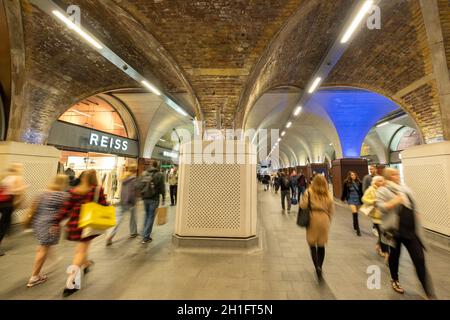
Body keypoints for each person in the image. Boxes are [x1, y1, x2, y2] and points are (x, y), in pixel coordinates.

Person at [376, 168, 435, 299]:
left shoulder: (406, 190)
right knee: (394, 257)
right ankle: (394, 279)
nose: (397, 176)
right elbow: (380, 207)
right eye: (393, 174)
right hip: (394, 232)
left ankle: (429, 293)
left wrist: (416, 214)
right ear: (388, 177)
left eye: (397, 174)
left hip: (411, 232)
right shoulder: (383, 190)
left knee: (419, 259)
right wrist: (394, 202)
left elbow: (413, 205)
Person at [52, 170, 108, 297]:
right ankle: (70, 284)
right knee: (80, 251)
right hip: (87, 225)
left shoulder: (74, 191)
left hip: (74, 225)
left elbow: (65, 208)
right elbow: (104, 206)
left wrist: (56, 222)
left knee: (82, 248)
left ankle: (87, 264)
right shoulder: (97, 190)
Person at [27, 175, 69, 287]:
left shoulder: (42, 193)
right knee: (43, 249)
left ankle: (43, 269)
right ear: (64, 183)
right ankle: (34, 277)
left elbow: (34, 207)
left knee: (43, 247)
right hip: (51, 225)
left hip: (37, 223)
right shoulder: (63, 195)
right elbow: (65, 212)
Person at [300, 175, 334, 281]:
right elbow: (331, 209)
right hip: (324, 219)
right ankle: (320, 265)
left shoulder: (309, 192)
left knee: (312, 244)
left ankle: (317, 267)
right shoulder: (328, 194)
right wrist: (328, 219)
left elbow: (303, 205)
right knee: (321, 245)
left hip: (312, 218)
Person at [105, 164, 138, 246]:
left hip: (121, 201)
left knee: (117, 220)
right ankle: (133, 232)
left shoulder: (124, 178)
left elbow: (122, 191)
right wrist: (133, 202)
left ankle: (109, 235)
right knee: (133, 218)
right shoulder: (134, 179)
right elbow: (132, 192)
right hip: (129, 202)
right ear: (134, 170)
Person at [0, 163, 28, 256]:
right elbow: (16, 191)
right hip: (8, 203)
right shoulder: (18, 178)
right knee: (3, 225)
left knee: (6, 222)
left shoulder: (6, 177)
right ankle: (8, 232)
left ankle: (9, 231)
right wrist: (24, 187)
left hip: (2, 202)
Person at [136, 160, 165, 244]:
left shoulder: (144, 173)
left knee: (146, 215)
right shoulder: (160, 174)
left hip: (145, 197)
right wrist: (163, 198)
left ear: (151, 165)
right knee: (151, 217)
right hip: (154, 198)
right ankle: (146, 237)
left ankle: (143, 234)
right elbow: (162, 187)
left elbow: (139, 185)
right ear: (157, 166)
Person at [362, 176, 389, 264]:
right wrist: (374, 201)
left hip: (385, 215)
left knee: (383, 235)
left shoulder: (384, 189)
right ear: (375, 182)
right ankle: (387, 254)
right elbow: (364, 199)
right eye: (380, 181)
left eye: (382, 180)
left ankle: (378, 246)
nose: (382, 182)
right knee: (383, 235)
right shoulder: (371, 190)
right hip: (377, 217)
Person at [341, 171, 363, 236]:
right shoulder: (346, 183)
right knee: (355, 213)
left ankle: (355, 224)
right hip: (351, 199)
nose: (353, 176)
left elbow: (361, 192)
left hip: (358, 199)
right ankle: (358, 230)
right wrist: (342, 198)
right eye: (352, 175)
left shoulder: (359, 182)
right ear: (349, 176)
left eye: (354, 175)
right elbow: (344, 191)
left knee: (356, 213)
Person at [363, 165, 378, 236]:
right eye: (370, 169)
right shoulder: (367, 178)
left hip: (379, 199)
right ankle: (375, 227)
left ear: (376, 169)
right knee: (374, 214)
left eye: (372, 169)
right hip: (371, 199)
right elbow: (364, 189)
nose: (370, 170)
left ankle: (376, 227)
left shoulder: (379, 177)